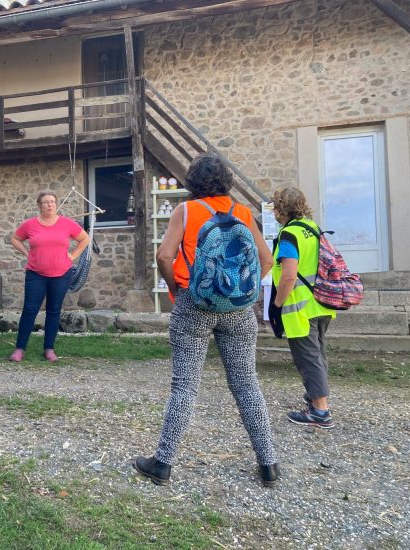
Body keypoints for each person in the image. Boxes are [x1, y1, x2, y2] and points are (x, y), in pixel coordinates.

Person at [133, 153, 280, 488]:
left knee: (184, 386)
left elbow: (163, 255)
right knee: (246, 384)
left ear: (193, 182)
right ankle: (269, 463)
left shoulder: (186, 211)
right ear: (226, 181)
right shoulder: (242, 212)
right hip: (238, 311)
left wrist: (175, 289)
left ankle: (163, 463)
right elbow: (266, 260)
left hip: (193, 305)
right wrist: (240, 290)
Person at [270, 187, 336, 429]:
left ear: (281, 208)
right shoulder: (312, 229)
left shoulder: (289, 235)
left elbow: (288, 276)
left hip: (299, 308)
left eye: (275, 206)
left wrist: (277, 305)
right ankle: (316, 399)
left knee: (308, 358)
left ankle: (320, 411)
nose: (274, 211)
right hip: (321, 302)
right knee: (318, 354)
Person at [9, 190, 90, 362]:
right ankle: (19, 349)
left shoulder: (66, 223)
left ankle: (49, 349)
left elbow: (84, 239)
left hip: (61, 274)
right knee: (30, 310)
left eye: (52, 201)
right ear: (39, 205)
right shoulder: (30, 224)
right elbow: (15, 238)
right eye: (46, 202)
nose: (50, 204)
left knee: (53, 311)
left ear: (56, 204)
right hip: (35, 273)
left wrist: (73, 256)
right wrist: (26, 252)